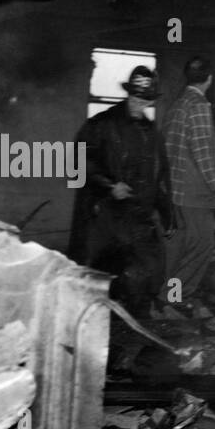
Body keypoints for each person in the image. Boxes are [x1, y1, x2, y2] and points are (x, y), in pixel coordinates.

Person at [67, 65, 171, 318]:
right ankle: (98, 322)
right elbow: (77, 163)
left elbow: (159, 175)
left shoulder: (150, 132)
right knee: (102, 276)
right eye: (135, 98)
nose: (139, 104)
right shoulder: (101, 124)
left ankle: (136, 325)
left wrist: (166, 213)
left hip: (137, 215)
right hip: (104, 215)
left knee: (144, 272)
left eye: (145, 100)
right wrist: (109, 186)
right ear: (128, 95)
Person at [162, 55, 215, 315]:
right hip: (194, 193)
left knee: (179, 248)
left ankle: (165, 300)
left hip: (175, 191)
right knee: (202, 246)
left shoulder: (178, 104)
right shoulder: (199, 105)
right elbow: (203, 156)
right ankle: (176, 299)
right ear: (209, 79)